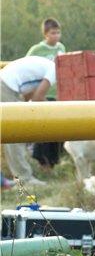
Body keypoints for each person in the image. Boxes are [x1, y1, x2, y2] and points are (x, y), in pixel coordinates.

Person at [0, 56, 56, 187]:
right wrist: (53, 112)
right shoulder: (54, 69)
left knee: (11, 133)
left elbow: (28, 95)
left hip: (6, 84)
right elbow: (37, 98)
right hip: (6, 87)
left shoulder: (46, 65)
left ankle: (16, 176)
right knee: (15, 134)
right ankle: (24, 178)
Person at [26, 18, 66, 168]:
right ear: (45, 34)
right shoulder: (37, 50)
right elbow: (28, 66)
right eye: (52, 33)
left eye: (58, 32)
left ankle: (54, 161)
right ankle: (42, 161)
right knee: (44, 128)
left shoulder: (61, 48)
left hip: (57, 93)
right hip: (42, 94)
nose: (56, 36)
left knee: (57, 128)